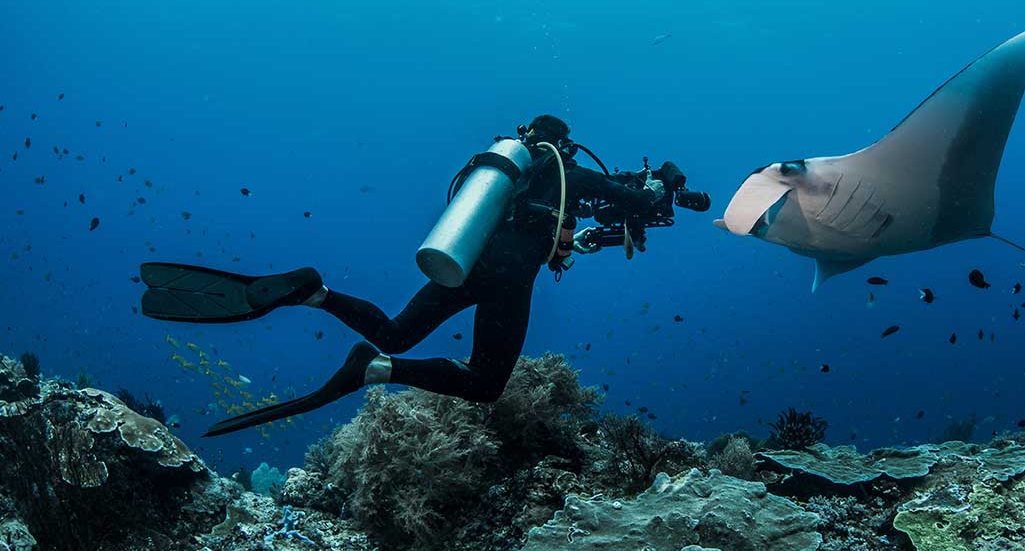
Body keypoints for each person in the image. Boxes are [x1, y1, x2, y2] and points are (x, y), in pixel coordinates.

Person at [139, 115, 677, 436]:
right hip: (509, 280)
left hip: (467, 262)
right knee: (486, 383)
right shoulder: (568, 173)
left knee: (396, 331)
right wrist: (665, 183)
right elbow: (639, 199)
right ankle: (374, 371)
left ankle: (314, 292)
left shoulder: (511, 183)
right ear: (565, 147)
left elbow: (557, 234)